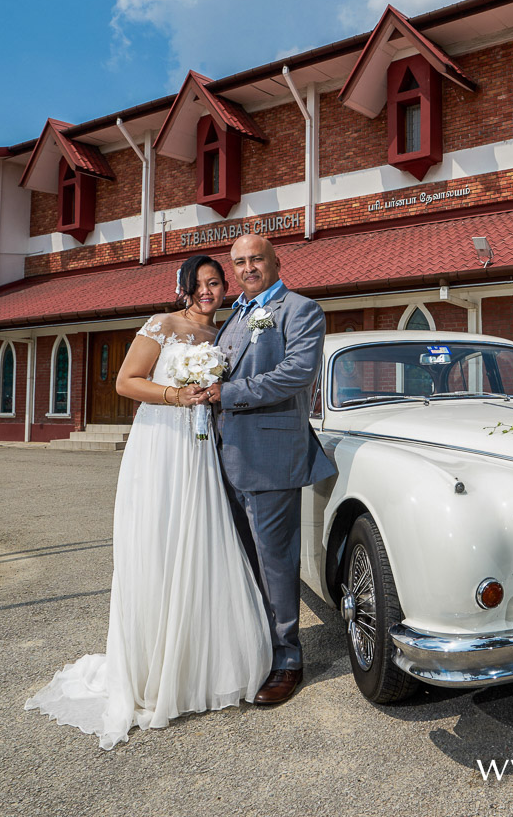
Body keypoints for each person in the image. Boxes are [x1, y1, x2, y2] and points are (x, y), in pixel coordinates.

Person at [24, 256, 272, 749]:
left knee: (201, 540)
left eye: (215, 283)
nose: (208, 291)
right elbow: (125, 382)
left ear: (225, 288)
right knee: (158, 541)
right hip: (160, 442)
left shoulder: (225, 336)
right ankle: (152, 667)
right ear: (183, 288)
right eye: (199, 284)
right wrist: (175, 396)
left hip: (202, 449)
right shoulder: (162, 325)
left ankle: (198, 660)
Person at [205, 234, 334, 706]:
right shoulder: (233, 317)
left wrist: (228, 394)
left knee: (276, 563)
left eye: (256, 259)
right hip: (224, 455)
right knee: (242, 558)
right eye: (239, 261)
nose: (247, 267)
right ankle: (255, 646)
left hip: (272, 457)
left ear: (276, 262)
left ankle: (287, 660)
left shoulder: (301, 310)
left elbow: (298, 372)